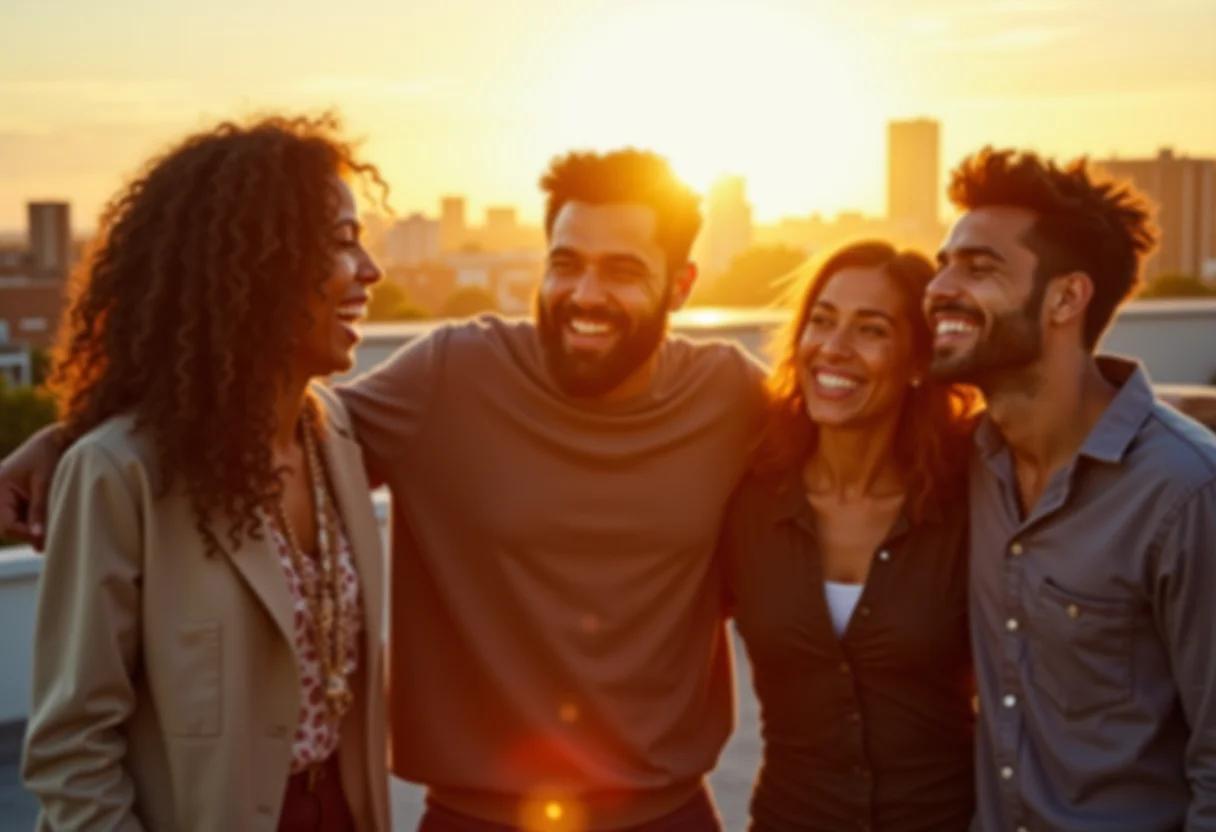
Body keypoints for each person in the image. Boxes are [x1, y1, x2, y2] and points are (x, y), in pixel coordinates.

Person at [334, 149, 767, 831]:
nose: (585, 295)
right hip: (474, 820)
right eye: (566, 263)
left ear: (680, 286)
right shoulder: (448, 376)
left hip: (669, 816)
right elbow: (281, 455)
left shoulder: (733, 396)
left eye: (623, 271)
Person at [18, 114, 392, 831]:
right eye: (342, 243)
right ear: (257, 265)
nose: (371, 271)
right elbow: (72, 750)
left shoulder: (339, 433)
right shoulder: (119, 475)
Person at [927, 147, 1216, 832]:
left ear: (1066, 297)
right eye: (942, 262)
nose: (939, 286)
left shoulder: (1186, 492)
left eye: (978, 266)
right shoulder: (970, 462)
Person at [720, 241, 980, 831]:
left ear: (919, 361)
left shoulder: (967, 501)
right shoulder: (747, 501)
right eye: (821, 321)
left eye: (871, 330)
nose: (833, 349)